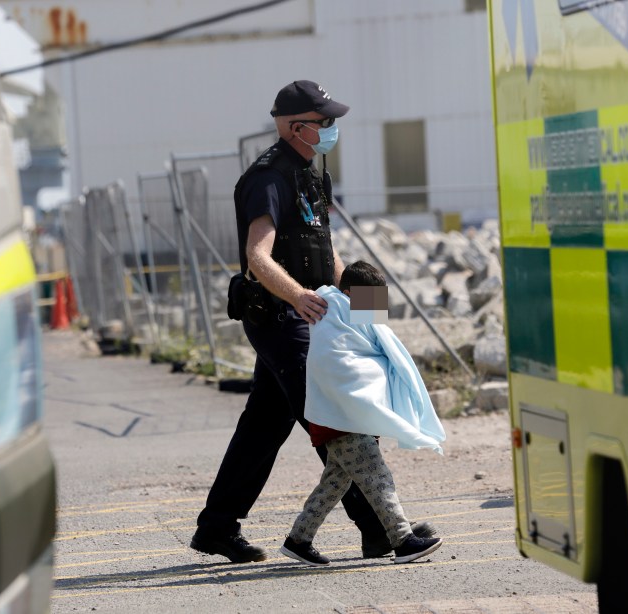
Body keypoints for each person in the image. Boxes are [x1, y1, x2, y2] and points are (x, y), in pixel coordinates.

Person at [190, 81, 435, 563]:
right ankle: (383, 530)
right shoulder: (267, 178)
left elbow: (327, 251)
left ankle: (216, 527)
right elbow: (257, 256)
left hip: (313, 316)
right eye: (324, 122)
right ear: (294, 126)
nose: (331, 129)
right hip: (282, 318)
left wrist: (368, 312)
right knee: (338, 417)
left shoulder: (311, 173)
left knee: (265, 424)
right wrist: (299, 296)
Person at [279, 261, 447, 567]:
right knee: (377, 476)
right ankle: (403, 540)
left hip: (337, 418)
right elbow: (344, 365)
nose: (374, 310)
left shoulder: (342, 314)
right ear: (348, 294)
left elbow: (374, 345)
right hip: (343, 417)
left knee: (333, 484)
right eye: (370, 301)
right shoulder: (332, 317)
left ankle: (298, 540)